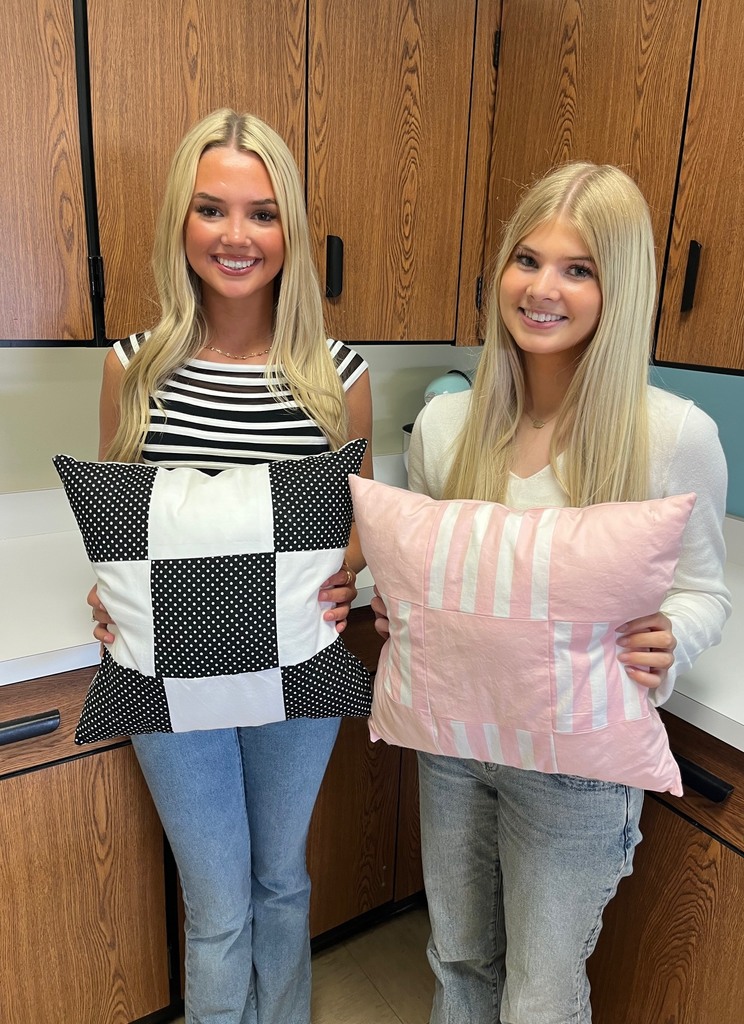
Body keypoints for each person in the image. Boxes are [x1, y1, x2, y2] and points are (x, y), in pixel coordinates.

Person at [371, 161, 730, 1024]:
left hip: (577, 771)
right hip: (454, 746)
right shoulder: (448, 426)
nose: (541, 289)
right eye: (527, 260)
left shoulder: (673, 435)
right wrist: (400, 607)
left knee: (538, 998)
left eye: (579, 269)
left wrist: (674, 634)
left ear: (621, 289)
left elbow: (705, 591)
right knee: (458, 959)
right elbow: (432, 570)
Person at [87, 108, 373, 1024]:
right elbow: (122, 517)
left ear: (291, 229)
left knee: (281, 880)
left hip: (300, 669)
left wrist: (348, 573)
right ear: (181, 220)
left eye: (262, 212)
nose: (236, 236)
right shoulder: (133, 368)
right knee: (214, 906)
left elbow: (358, 521)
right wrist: (109, 589)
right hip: (166, 679)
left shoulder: (338, 374)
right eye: (211, 209)